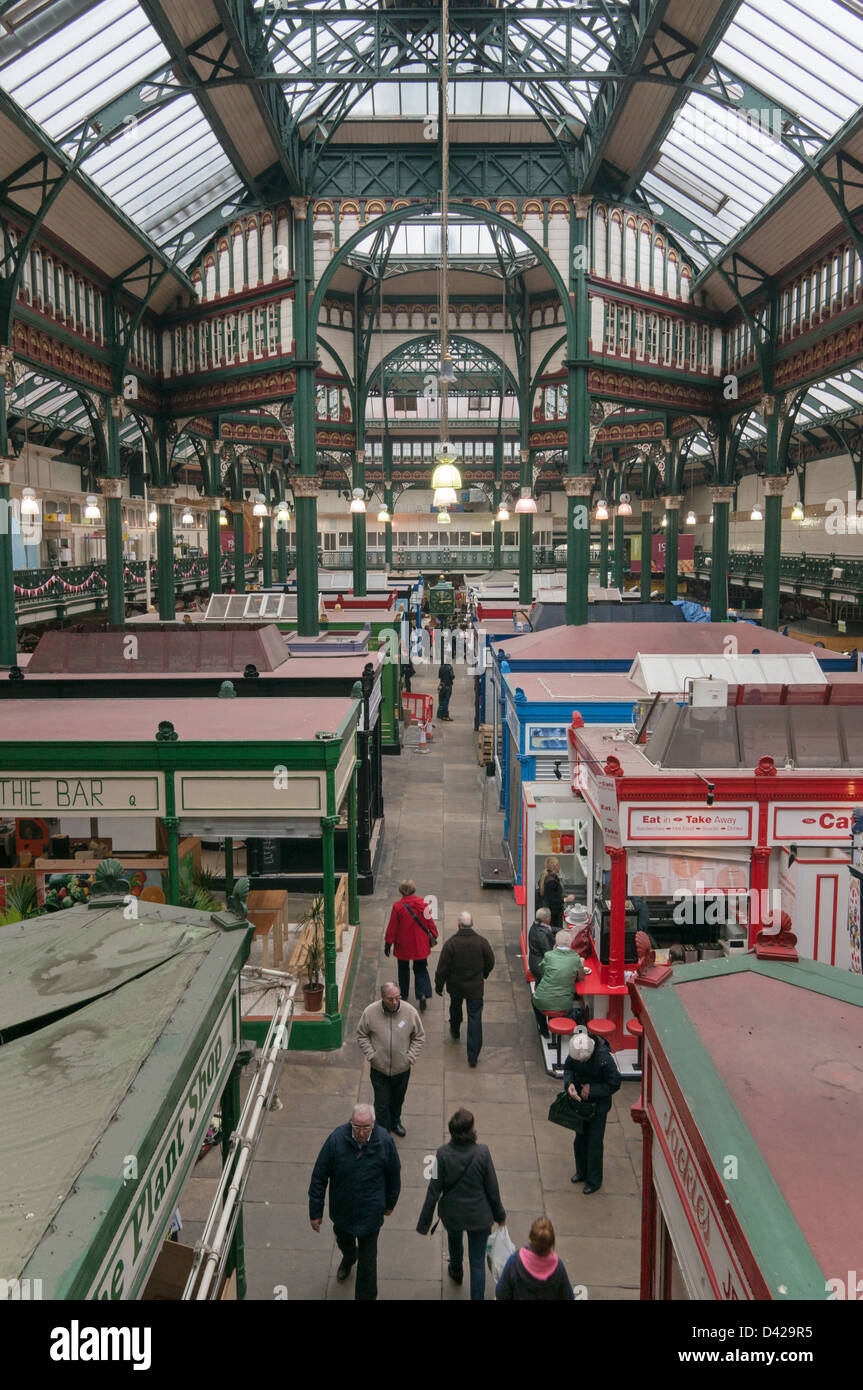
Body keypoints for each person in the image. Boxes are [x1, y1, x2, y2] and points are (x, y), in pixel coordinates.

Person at [308, 1102, 401, 1300]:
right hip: (343, 1211)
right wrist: (315, 1212)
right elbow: (319, 1176)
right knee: (344, 1240)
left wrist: (390, 1203)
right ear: (351, 1123)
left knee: (368, 1264)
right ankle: (350, 1257)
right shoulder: (336, 1140)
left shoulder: (384, 1141)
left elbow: (394, 1174)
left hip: (370, 1213)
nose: (361, 1133)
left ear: (373, 1125)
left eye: (365, 1128)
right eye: (357, 1127)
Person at [416, 1108, 506, 1301]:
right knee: (477, 1262)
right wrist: (500, 1216)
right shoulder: (482, 1153)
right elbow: (492, 1187)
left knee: (454, 1242)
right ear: (471, 1129)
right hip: (479, 1215)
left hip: (453, 1214)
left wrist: (424, 1223)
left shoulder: (443, 1154)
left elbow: (433, 1191)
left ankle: (456, 1270)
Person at [356, 983, 425, 1137]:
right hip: (379, 1069)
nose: (394, 1002)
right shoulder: (370, 1012)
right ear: (383, 998)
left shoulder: (410, 1012)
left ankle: (395, 1122)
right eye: (390, 999)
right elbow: (361, 1034)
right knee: (381, 1104)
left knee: (397, 1100)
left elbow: (419, 1036)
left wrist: (410, 1057)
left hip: (402, 1069)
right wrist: (371, 1055)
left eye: (397, 998)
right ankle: (382, 1131)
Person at [564, 1027, 621, 1194]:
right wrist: (570, 1085)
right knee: (579, 1139)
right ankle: (581, 1172)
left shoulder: (604, 1059)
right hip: (581, 1103)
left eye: (583, 1061)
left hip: (599, 1107)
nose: (580, 1063)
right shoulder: (576, 1050)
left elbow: (615, 1083)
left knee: (594, 1143)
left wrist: (593, 1089)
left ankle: (594, 1181)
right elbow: (568, 1069)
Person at [435, 910, 495, 1067]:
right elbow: (490, 961)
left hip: (455, 986)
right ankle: (473, 1055)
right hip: (475, 987)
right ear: (472, 924)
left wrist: (439, 984)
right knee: (475, 1018)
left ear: (458, 925)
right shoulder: (482, 942)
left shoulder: (451, 944)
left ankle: (455, 1029)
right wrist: (484, 974)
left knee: (455, 1007)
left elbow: (443, 967)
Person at [384, 879, 438, 1010]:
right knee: (420, 969)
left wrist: (388, 943)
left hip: (404, 944)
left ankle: (404, 994)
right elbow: (429, 922)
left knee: (403, 970)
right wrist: (434, 935)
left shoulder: (398, 907)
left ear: (401, 891)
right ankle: (423, 994)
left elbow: (393, 927)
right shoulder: (423, 904)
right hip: (419, 943)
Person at [495, 1217, 575, 1301]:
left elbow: (501, 1293)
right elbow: (568, 1296)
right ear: (551, 1243)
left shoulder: (514, 1262)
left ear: (531, 1238)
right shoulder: (558, 1268)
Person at [532, 929, 585, 1037]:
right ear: (570, 943)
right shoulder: (575, 958)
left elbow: (542, 970)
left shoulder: (548, 955)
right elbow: (581, 977)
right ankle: (560, 1023)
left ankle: (544, 1029)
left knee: (534, 999)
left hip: (542, 999)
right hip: (564, 1004)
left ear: (555, 944)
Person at [538, 856, 574, 931]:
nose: (559, 866)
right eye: (558, 864)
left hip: (550, 911)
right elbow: (552, 900)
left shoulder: (546, 875)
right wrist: (566, 899)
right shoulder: (551, 882)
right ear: (555, 866)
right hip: (554, 914)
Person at [527, 906, 555, 980]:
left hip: (534, 961)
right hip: (539, 966)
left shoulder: (536, 926)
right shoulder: (541, 935)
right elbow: (548, 953)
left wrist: (563, 930)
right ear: (548, 919)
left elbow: (551, 929)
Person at [437, 655, 455, 720]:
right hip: (448, 686)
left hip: (441, 685)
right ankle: (445, 715)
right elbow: (452, 676)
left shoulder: (441, 667)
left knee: (441, 700)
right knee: (446, 701)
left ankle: (440, 714)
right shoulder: (450, 668)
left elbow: (439, 676)